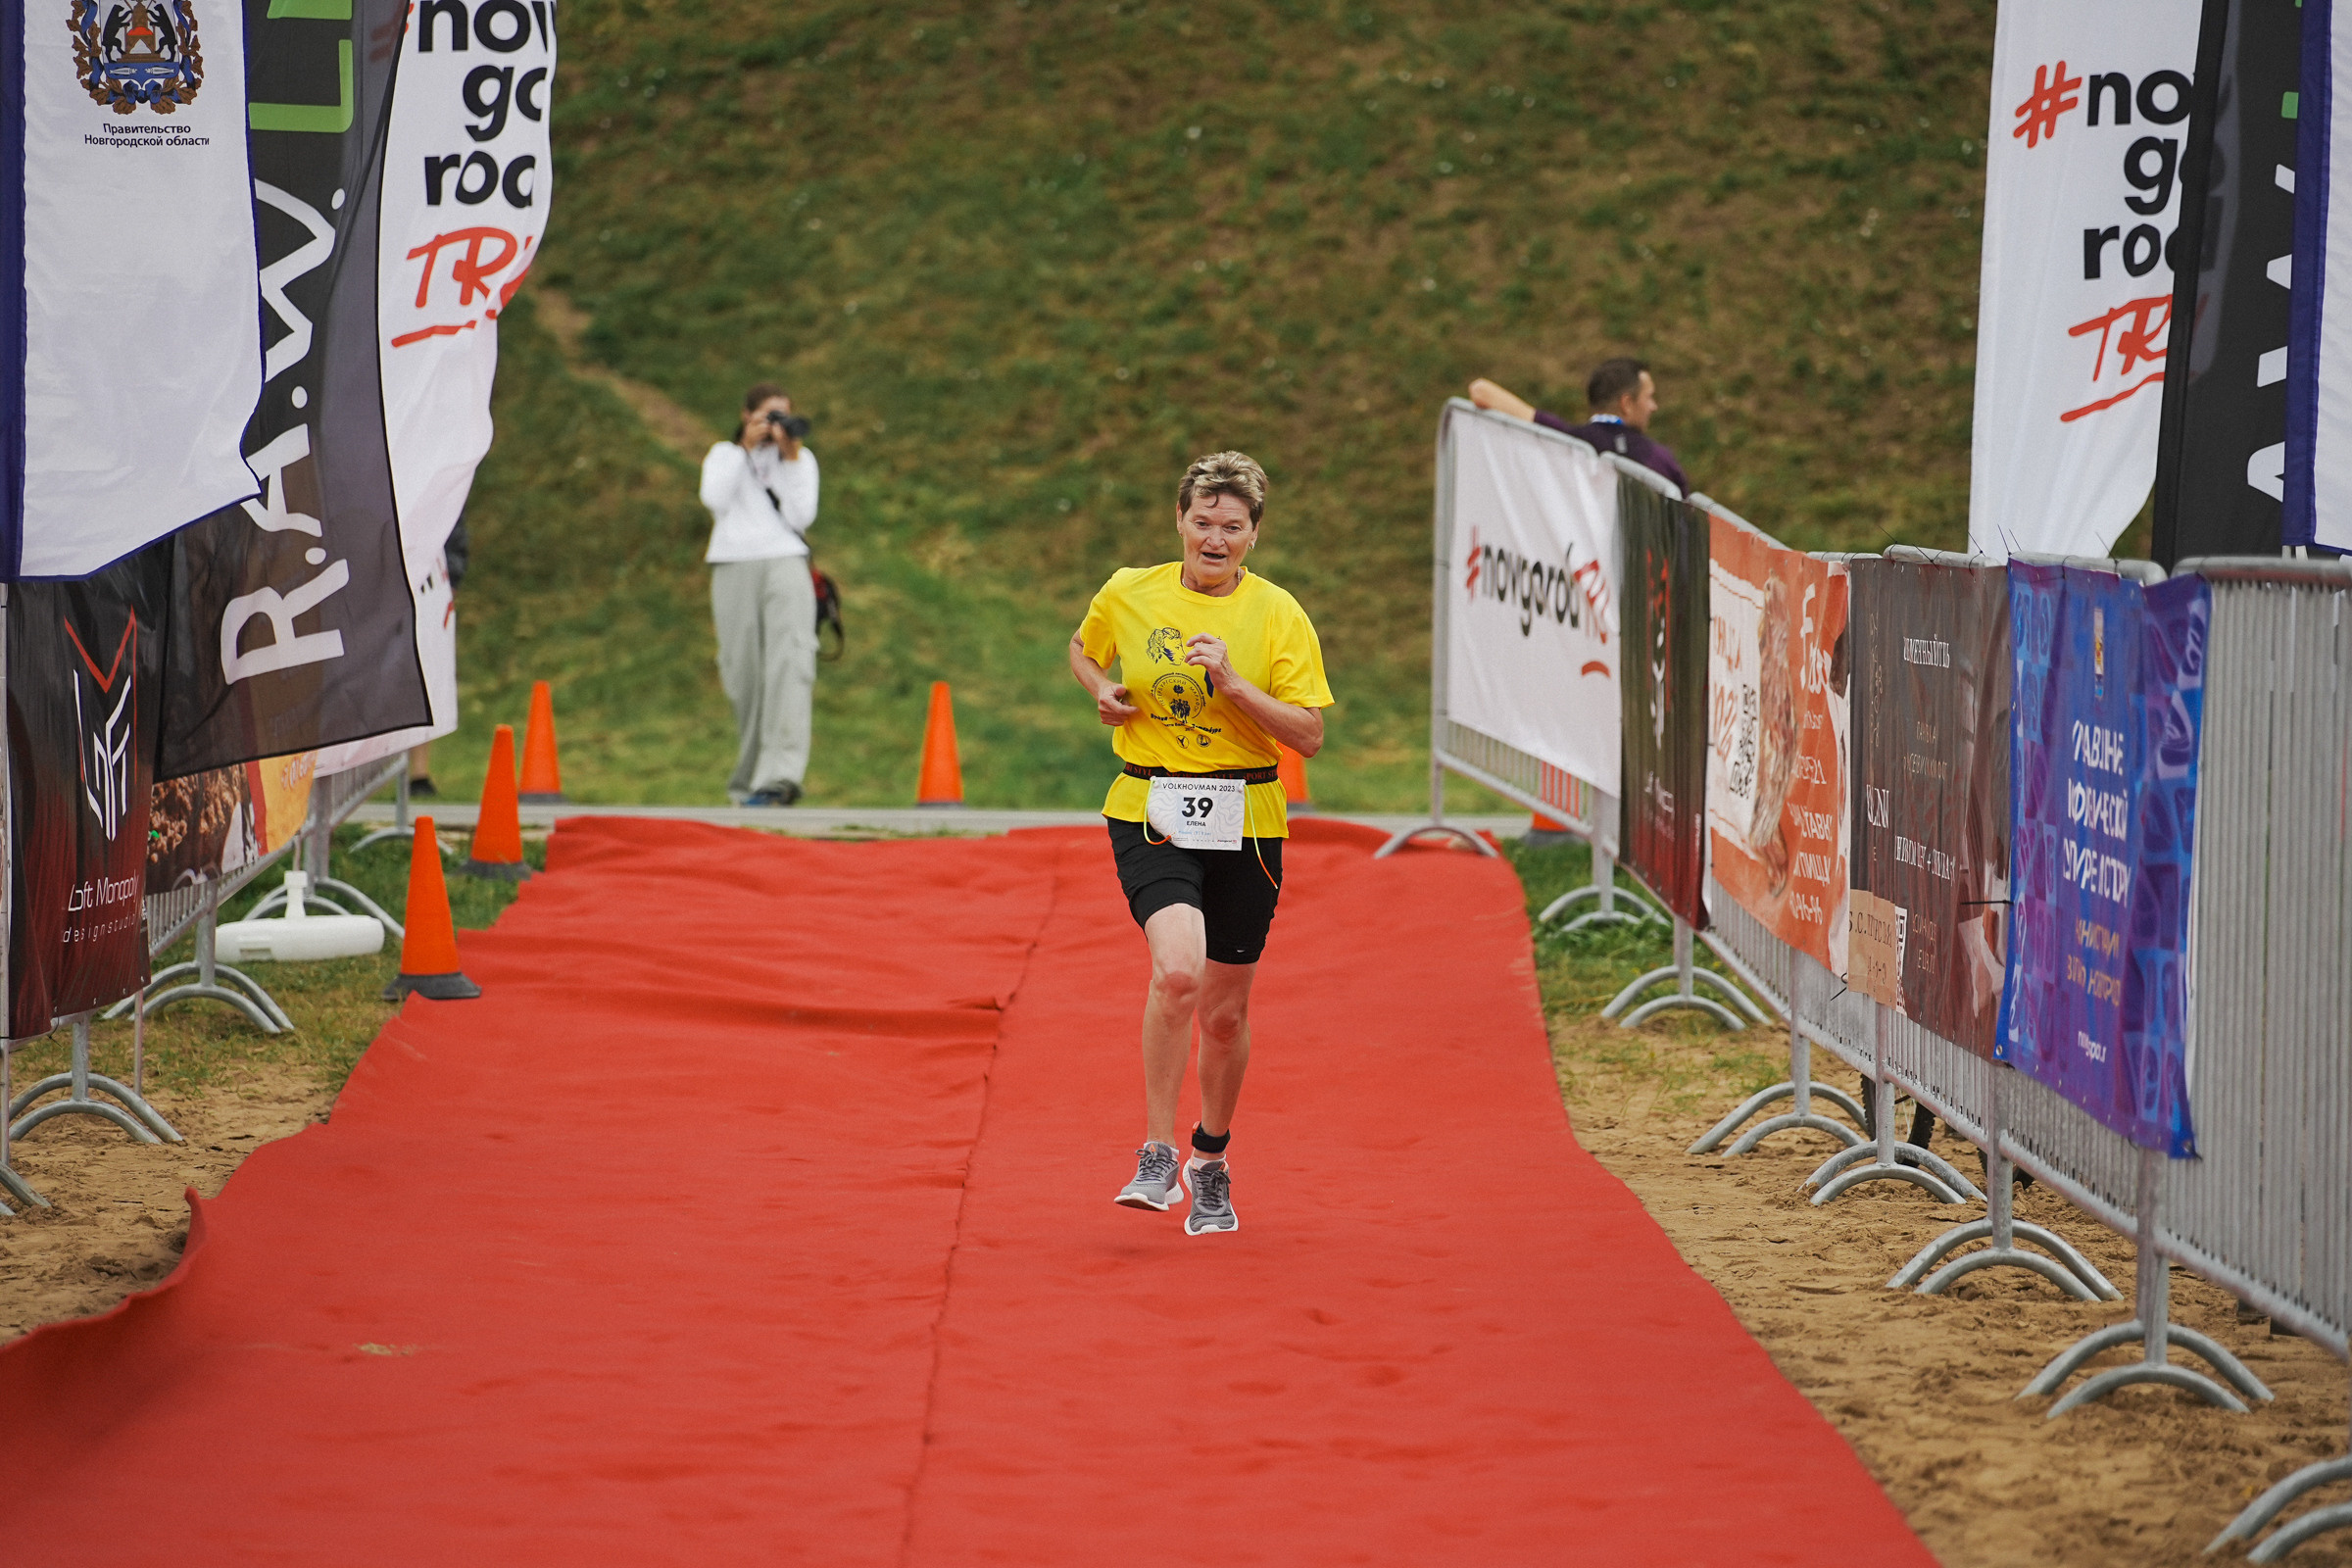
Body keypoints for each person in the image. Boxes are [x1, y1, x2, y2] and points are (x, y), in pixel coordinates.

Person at [1068, 451, 1333, 1237]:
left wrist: (1236, 687)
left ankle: (1208, 1158)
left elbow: (1310, 735)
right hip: (1151, 804)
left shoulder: (1278, 615)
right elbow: (1084, 649)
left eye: (1233, 527)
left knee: (1223, 1014)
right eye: (1203, 522)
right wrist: (1102, 691)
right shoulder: (1129, 591)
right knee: (1178, 972)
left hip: (1247, 819)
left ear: (1254, 536)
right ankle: (1155, 1152)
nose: (1215, 539)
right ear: (1179, 520)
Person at [700, 382, 820, 806]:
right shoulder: (724, 455)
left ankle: (779, 778)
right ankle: (748, 781)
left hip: (785, 561)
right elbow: (713, 498)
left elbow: (803, 515)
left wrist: (789, 460)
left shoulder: (800, 461)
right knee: (743, 675)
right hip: (733, 563)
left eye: (783, 415)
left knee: (790, 666)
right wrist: (746, 450)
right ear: (746, 415)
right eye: (769, 415)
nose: (776, 425)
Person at [1469, 358, 1690, 495]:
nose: (1654, 406)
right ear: (1627, 403)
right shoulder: (1661, 462)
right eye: (1649, 397)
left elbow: (1481, 391)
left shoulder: (1567, 442)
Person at [407, 514, 468, 797]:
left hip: (430, 581)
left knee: (426, 671)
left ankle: (419, 773)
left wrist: (453, 571)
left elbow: (452, 510)